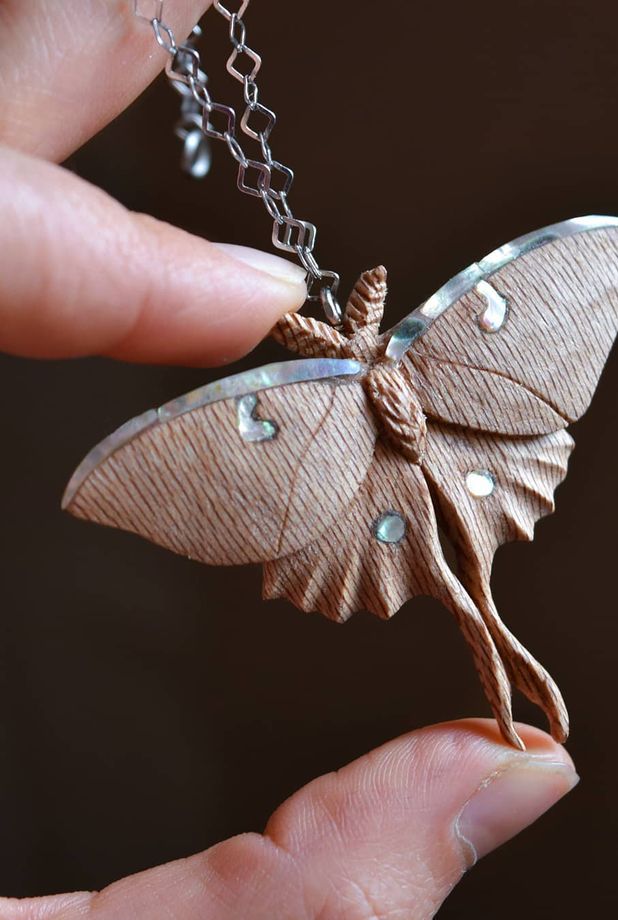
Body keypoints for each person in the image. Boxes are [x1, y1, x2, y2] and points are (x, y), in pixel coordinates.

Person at [0, 3, 578, 917]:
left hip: (460, 446)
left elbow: (593, 268)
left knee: (471, 566)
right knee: (455, 574)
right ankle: (515, 667)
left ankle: (518, 667)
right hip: (354, 495)